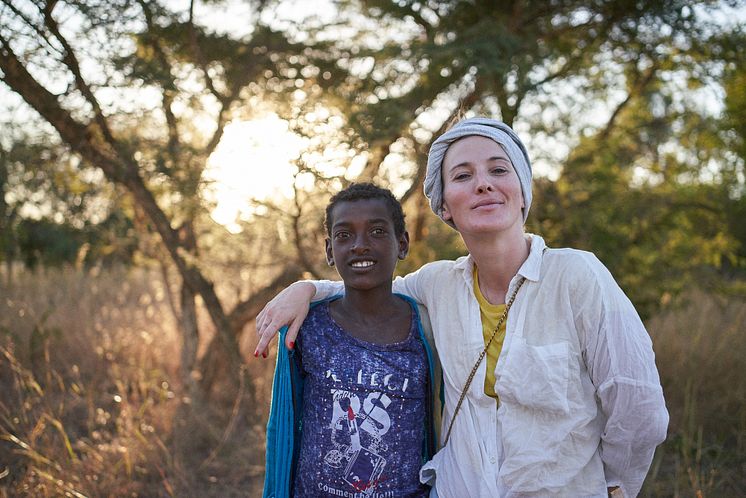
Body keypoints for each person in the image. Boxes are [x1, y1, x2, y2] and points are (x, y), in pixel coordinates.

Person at [256, 117, 669, 498]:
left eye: (498, 170)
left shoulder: (578, 277)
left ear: (522, 191)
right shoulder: (438, 285)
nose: (483, 184)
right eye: (463, 176)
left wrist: (613, 488)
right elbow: (371, 285)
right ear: (445, 207)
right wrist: (306, 289)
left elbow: (639, 410)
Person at [262, 183, 442, 498]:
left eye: (376, 232)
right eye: (345, 236)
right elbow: (284, 427)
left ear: (401, 244)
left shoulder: (427, 330)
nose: (360, 245)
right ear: (330, 251)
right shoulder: (308, 326)